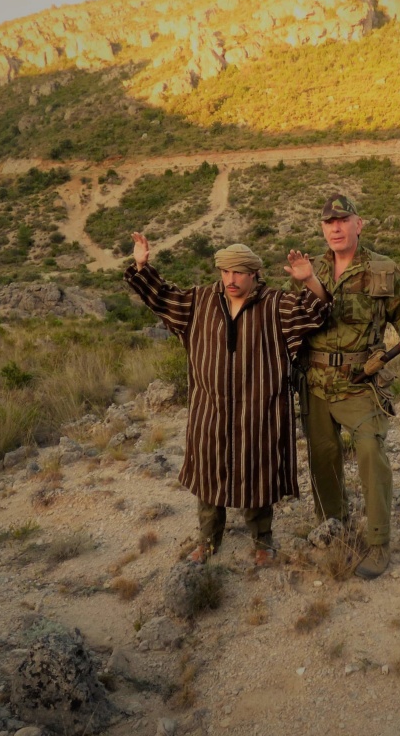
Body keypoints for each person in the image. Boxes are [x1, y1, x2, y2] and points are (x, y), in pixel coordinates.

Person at [124, 233, 330, 567]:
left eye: (238, 273)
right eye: (225, 272)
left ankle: (262, 541)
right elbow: (162, 297)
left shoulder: (275, 304)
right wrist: (141, 266)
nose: (231, 280)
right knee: (209, 473)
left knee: (259, 473)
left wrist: (309, 280)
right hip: (211, 409)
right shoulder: (200, 301)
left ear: (253, 274)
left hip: (260, 411)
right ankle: (207, 539)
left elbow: (316, 311)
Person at [295, 194, 400, 579]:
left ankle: (379, 542)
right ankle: (332, 524)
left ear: (358, 224)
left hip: (360, 379)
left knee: (370, 449)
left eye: (342, 220)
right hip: (315, 381)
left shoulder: (384, 269)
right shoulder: (311, 268)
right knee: (322, 455)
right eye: (328, 223)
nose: (335, 228)